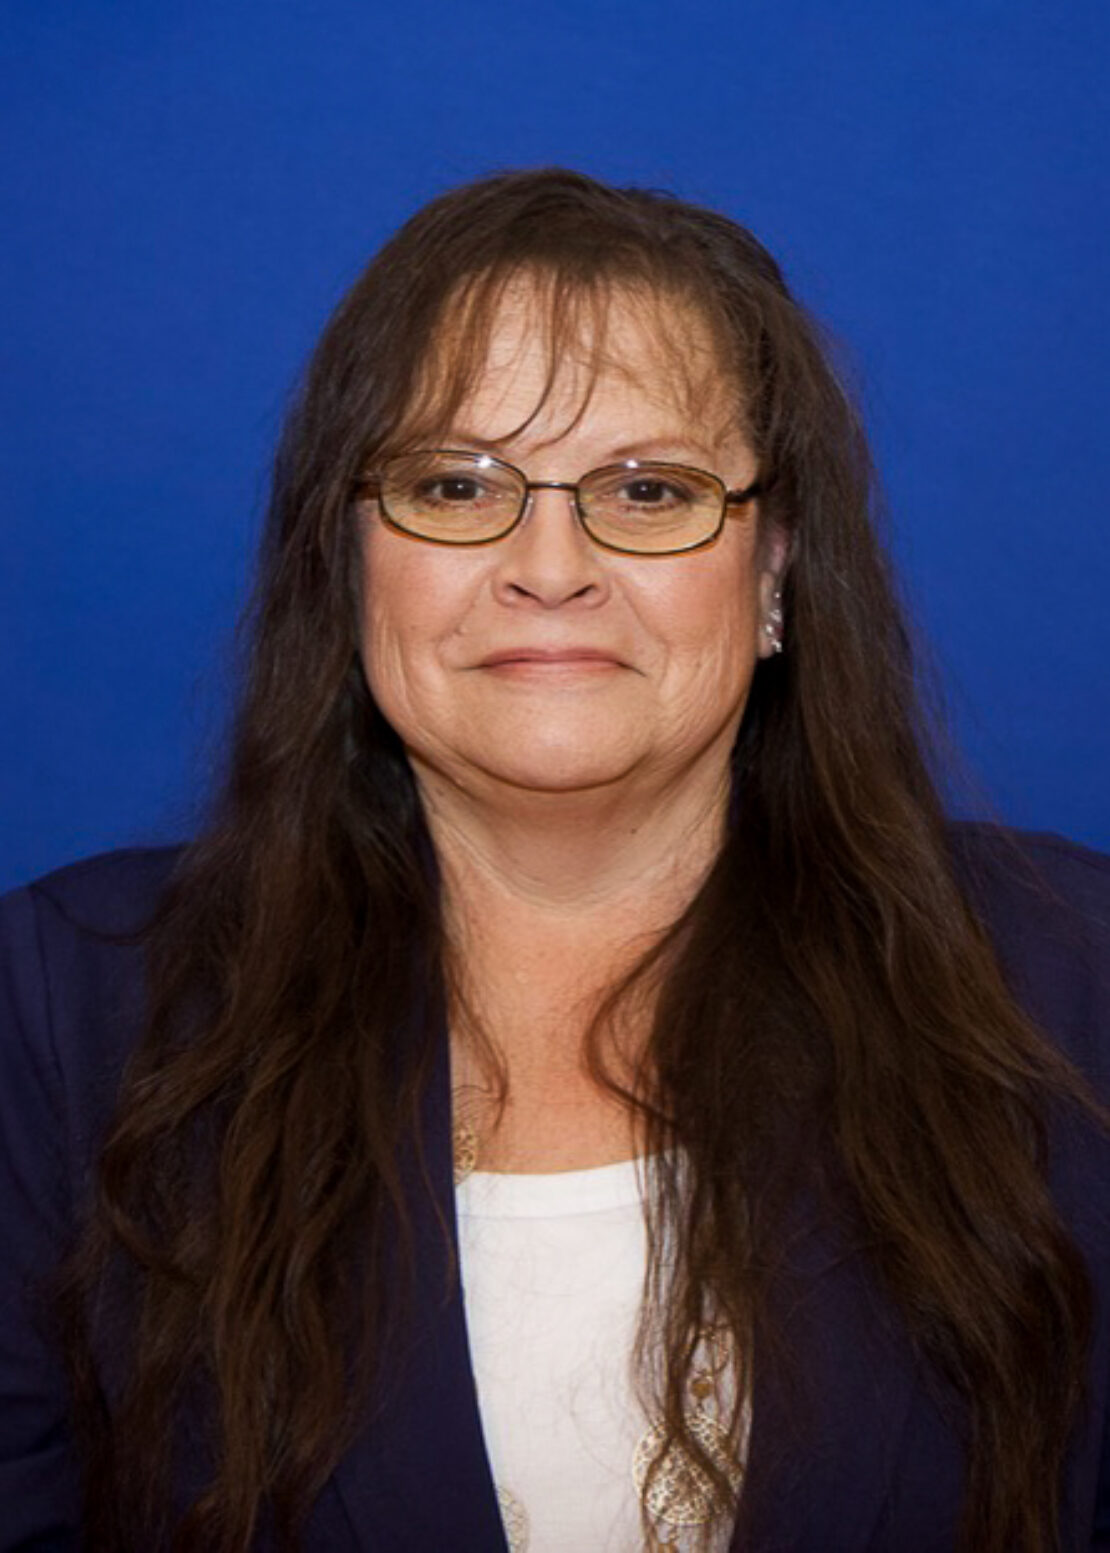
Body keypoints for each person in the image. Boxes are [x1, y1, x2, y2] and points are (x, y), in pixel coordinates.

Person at [1, 168, 1108, 1553]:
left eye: (647, 488)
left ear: (772, 575)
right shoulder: (62, 1007)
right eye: (454, 483)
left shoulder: (1073, 979)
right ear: (346, 563)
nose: (549, 562)